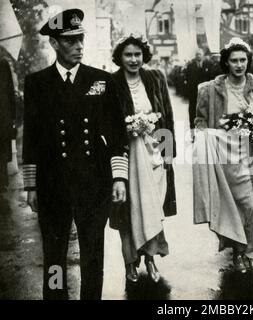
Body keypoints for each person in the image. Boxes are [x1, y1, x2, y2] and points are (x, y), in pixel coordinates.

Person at [22, 9, 128, 300]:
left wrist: (119, 177)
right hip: (52, 184)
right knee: (55, 255)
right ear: (55, 44)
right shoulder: (37, 84)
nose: (79, 46)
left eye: (81, 39)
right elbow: (30, 137)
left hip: (94, 183)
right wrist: (31, 186)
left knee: (93, 254)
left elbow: (118, 135)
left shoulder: (101, 81)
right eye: (71, 41)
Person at [193, 37, 253, 274]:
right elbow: (199, 120)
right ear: (226, 63)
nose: (239, 65)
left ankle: (252, 250)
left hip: (251, 152)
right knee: (232, 206)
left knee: (252, 205)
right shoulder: (209, 89)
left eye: (243, 60)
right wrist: (203, 136)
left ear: (249, 60)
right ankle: (238, 252)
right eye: (234, 61)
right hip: (224, 154)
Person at [109, 35, 177, 283]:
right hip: (126, 156)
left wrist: (169, 155)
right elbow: (108, 123)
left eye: (137, 54)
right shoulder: (112, 82)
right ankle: (130, 262)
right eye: (128, 55)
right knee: (127, 209)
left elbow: (167, 116)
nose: (134, 59)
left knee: (152, 207)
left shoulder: (155, 77)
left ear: (144, 55)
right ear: (120, 57)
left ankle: (150, 257)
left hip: (154, 154)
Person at [184, 48, 211, 134]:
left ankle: (204, 131)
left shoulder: (208, 65)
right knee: (193, 112)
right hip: (193, 94)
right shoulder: (190, 66)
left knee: (205, 112)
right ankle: (192, 130)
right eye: (197, 54)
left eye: (200, 54)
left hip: (205, 94)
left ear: (203, 55)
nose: (198, 56)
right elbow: (187, 79)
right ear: (195, 56)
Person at [0, 59, 15, 192]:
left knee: (2, 151)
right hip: (4, 116)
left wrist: (13, 116)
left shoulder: (3, 64)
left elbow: (10, 90)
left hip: (3, 116)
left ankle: (2, 181)